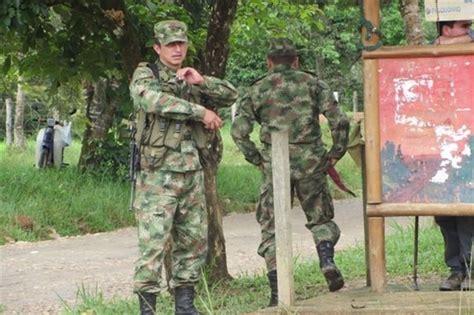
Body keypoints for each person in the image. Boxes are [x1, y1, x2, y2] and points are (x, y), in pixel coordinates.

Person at [129, 20, 238, 314]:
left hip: (192, 173)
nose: (177, 49)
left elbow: (231, 95)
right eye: (170, 45)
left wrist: (202, 82)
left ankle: (185, 306)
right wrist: (199, 110)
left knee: (193, 243)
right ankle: (147, 309)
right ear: (158, 48)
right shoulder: (146, 75)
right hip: (157, 177)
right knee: (152, 246)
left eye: (181, 44)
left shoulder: (189, 77)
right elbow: (153, 101)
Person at [231, 38, 350, 306]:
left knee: (272, 228)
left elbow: (238, 132)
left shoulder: (256, 88)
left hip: (275, 162)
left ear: (268, 62)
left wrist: (257, 158)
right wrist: (335, 153)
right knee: (320, 219)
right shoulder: (313, 84)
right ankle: (327, 260)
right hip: (311, 161)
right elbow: (339, 120)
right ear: (296, 61)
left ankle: (277, 292)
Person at [433, 19, 473, 292]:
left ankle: (466, 267)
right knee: (444, 212)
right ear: (446, 30)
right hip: (439, 144)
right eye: (464, 26)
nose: (470, 31)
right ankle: (457, 268)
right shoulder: (429, 55)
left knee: (468, 208)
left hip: (469, 141)